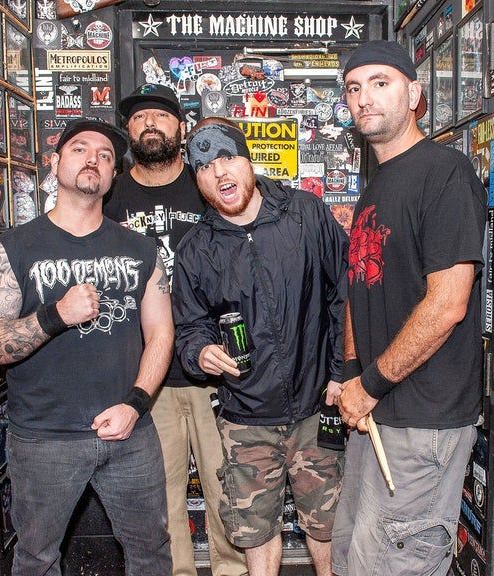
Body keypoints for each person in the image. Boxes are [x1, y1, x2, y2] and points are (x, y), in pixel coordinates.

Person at [0, 118, 173, 576]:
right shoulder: (14, 248)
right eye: (80, 149)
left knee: (152, 553)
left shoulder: (141, 249)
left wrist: (136, 404)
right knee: (37, 559)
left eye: (105, 156)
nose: (93, 160)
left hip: (129, 432)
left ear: (113, 175)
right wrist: (56, 315)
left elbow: (162, 333)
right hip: (44, 437)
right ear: (55, 162)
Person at [333, 40, 487, 576]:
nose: (365, 97)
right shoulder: (375, 184)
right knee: (349, 558)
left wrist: (370, 384)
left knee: (389, 567)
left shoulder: (445, 173)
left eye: (381, 83)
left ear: (415, 94)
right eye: (354, 88)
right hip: (375, 408)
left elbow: (448, 304)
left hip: (423, 418)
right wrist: (352, 373)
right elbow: (359, 286)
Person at [172, 118, 348, 576]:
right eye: (204, 166)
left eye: (227, 158)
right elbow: (189, 327)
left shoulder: (306, 214)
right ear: (196, 179)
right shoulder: (196, 249)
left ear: (248, 161)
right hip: (246, 418)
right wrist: (200, 353)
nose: (219, 173)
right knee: (254, 532)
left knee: (326, 525)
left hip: (317, 408)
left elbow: (345, 294)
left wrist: (340, 372)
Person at [105, 84, 247, 576]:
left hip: (215, 369)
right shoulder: (110, 194)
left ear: (181, 128)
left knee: (229, 491)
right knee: (159, 501)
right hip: (145, 375)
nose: (150, 123)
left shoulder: (206, 183)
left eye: (161, 115)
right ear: (128, 131)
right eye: (139, 117)